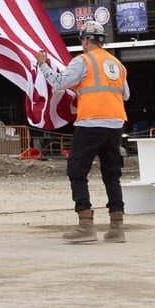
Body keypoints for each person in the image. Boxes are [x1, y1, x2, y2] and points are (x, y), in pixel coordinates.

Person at [38, 25, 129, 243]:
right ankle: (117, 227)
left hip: (91, 122)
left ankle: (86, 224)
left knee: (77, 171)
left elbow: (59, 83)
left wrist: (43, 65)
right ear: (102, 41)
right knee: (111, 174)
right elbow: (125, 94)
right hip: (116, 123)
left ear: (86, 41)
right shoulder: (117, 64)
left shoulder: (83, 61)